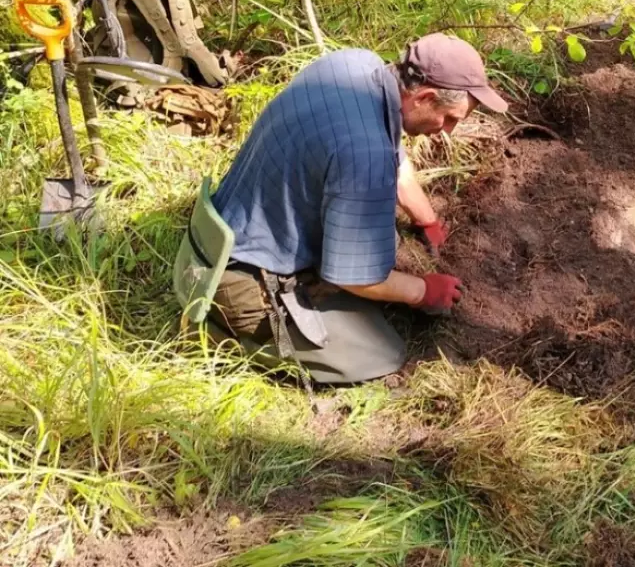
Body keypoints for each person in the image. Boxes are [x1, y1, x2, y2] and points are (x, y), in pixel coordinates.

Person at [201, 33, 508, 384]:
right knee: (379, 353)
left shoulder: (357, 67)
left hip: (225, 224)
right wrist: (424, 291)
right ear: (424, 97)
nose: (449, 131)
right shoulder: (365, 153)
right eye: (450, 119)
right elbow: (354, 278)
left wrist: (428, 220)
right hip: (239, 277)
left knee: (382, 247)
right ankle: (225, 336)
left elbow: (395, 162)